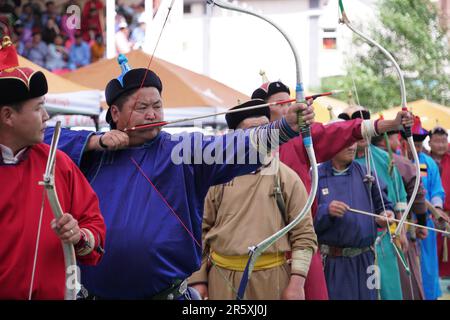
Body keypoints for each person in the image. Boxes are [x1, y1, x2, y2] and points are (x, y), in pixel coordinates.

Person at [44, 55, 314, 299]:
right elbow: (40, 140)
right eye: (142, 107)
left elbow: (230, 148)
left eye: (158, 106)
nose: (152, 114)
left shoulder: (180, 152)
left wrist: (283, 128)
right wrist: (95, 142)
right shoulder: (92, 154)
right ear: (115, 113)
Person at [251, 80, 414, 299]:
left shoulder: (303, 138)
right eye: (279, 104)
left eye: (288, 102)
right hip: (259, 241)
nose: (286, 107)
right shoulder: (244, 143)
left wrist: (391, 124)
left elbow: (343, 131)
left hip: (301, 240)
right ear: (261, 109)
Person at [0, 36, 105, 299]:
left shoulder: (58, 163)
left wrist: (79, 236)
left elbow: (94, 229)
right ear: (8, 116)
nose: (47, 116)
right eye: (38, 108)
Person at [189, 99, 317, 300]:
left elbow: (304, 235)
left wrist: (297, 284)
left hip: (272, 279)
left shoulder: (287, 177)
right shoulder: (215, 179)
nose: (260, 136)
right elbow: (198, 230)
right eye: (251, 131)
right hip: (222, 279)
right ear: (234, 137)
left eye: (264, 129)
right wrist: (198, 280)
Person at [315, 127, 394, 300]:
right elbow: (303, 219)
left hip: (366, 260)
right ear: (331, 144)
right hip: (334, 262)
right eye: (346, 142)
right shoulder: (316, 176)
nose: (352, 147)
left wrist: (386, 215)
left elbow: (385, 206)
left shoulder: (366, 173)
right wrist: (326, 211)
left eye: (353, 142)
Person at [341, 106, 407, 301]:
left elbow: (399, 198)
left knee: (388, 290)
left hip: (384, 239)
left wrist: (401, 230)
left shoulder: (384, 159)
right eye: (357, 128)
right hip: (352, 242)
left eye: (366, 127)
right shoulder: (337, 161)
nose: (362, 133)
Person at [372, 131, 427, 300]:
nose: (399, 140)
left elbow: (409, 194)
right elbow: (417, 196)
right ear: (386, 139)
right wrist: (422, 223)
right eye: (396, 137)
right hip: (391, 234)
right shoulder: (393, 161)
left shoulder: (393, 161)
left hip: (395, 230)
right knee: (403, 282)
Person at [401, 117, 445, 300]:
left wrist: (436, 207)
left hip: (424, 223)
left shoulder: (429, 162)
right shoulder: (396, 160)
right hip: (402, 222)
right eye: (413, 145)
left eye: (419, 146)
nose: (416, 149)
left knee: (427, 267)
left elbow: (436, 189)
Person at [428, 126, 450, 282]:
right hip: (431, 215)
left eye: (444, 141)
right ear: (429, 142)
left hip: (448, 215)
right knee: (431, 254)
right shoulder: (423, 160)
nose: (441, 145)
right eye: (437, 141)